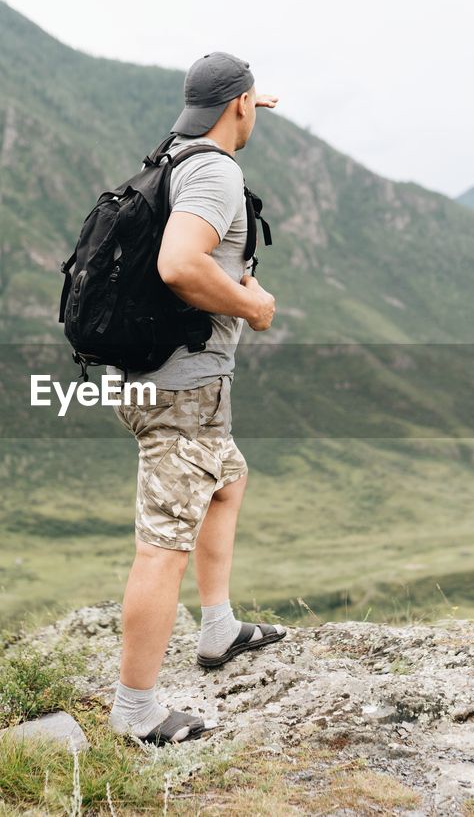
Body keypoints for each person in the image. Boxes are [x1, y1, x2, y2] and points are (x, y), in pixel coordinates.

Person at [107, 52, 287, 745]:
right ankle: (136, 711)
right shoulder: (215, 170)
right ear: (236, 108)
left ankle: (218, 628)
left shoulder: (177, 153)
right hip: (182, 390)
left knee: (228, 480)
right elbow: (179, 263)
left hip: (166, 381)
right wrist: (251, 304)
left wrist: (245, 100)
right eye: (247, 105)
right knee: (162, 546)